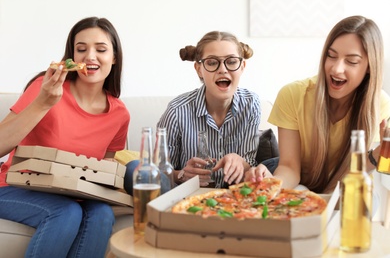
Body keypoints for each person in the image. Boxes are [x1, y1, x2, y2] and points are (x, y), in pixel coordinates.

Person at [0, 16, 130, 257]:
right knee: (65, 212)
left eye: (100, 49)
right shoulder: (45, 87)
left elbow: (103, 172)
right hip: (12, 187)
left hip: (68, 193)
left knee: (102, 214)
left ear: (114, 58)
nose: (90, 56)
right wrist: (43, 103)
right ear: (72, 57)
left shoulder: (119, 114)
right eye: (81, 49)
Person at [245, 15, 390, 194]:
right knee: (300, 195)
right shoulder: (293, 94)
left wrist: (379, 153)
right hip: (290, 176)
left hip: (337, 181)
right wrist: (271, 184)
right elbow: (289, 168)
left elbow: (353, 175)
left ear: (369, 66)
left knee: (362, 200)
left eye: (351, 61)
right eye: (331, 56)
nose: (336, 69)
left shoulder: (378, 104)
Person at [155, 30, 270, 189]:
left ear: (242, 66)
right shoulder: (177, 111)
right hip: (191, 198)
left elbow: (249, 162)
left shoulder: (251, 104)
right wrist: (182, 175)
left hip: (233, 198)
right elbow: (159, 172)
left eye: (231, 61)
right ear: (198, 69)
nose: (222, 69)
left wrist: (240, 162)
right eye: (211, 62)